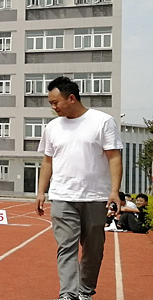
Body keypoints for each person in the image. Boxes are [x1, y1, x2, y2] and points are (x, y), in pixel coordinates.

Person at [36, 76, 123, 300]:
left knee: (93, 250)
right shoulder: (52, 127)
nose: (53, 107)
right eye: (50, 103)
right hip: (62, 196)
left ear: (71, 98)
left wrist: (114, 191)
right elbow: (47, 161)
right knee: (66, 246)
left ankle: (85, 292)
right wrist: (41, 191)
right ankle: (68, 294)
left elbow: (114, 157)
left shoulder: (102, 122)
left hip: (95, 196)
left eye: (55, 102)